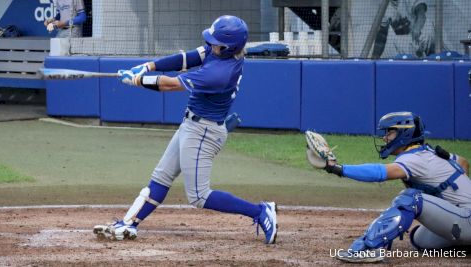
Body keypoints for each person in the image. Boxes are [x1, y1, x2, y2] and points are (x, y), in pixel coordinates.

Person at [93, 15, 278, 245]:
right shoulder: (220, 51)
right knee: (161, 177)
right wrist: (148, 66)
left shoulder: (220, 73)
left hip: (204, 132)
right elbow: (186, 58)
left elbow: (170, 84)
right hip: (192, 125)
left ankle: (260, 211)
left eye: (216, 42)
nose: (211, 45)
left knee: (199, 196)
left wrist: (138, 81)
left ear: (230, 47)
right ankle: (129, 223)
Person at [318, 111, 471, 263]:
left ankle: (369, 249)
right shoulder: (428, 153)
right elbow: (463, 162)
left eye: (389, 133)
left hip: (467, 218)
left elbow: (379, 173)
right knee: (419, 239)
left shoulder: (414, 159)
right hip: (462, 216)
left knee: (410, 198)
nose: (384, 138)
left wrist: (337, 168)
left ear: (404, 134)